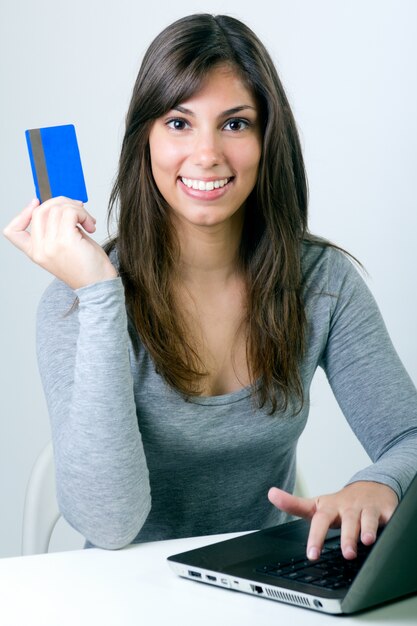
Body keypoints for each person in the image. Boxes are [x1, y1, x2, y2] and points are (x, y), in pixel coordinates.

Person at [4, 14, 417, 560]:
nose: (207, 155)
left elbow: (406, 438)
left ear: (268, 137)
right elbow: (111, 524)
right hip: (122, 596)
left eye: (234, 123)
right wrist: (101, 294)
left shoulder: (322, 282)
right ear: (144, 139)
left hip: (264, 585)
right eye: (179, 123)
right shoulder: (76, 300)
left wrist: (379, 482)